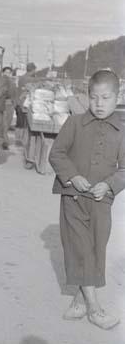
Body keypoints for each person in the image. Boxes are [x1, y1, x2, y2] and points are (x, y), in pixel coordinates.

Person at [49, 69, 125, 330]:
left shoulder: (122, 131)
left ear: (118, 97)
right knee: (80, 247)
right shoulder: (74, 123)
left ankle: (80, 300)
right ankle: (95, 309)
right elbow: (57, 154)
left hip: (102, 201)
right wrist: (72, 177)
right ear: (87, 97)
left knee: (95, 249)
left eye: (105, 98)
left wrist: (108, 185)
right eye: (94, 98)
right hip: (73, 197)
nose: (99, 104)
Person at [15, 61, 36, 143]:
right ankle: (20, 140)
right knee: (23, 124)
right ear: (33, 70)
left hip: (18, 103)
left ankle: (17, 138)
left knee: (19, 122)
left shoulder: (21, 78)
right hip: (24, 104)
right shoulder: (30, 79)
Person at [2, 66, 17, 149]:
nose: (8, 74)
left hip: (10, 105)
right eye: (6, 72)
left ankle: (3, 140)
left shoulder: (13, 83)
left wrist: (14, 106)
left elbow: (15, 96)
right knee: (4, 124)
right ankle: (5, 142)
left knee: (7, 124)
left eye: (9, 73)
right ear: (3, 73)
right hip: (3, 105)